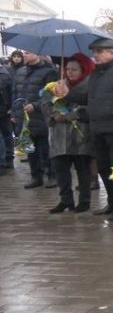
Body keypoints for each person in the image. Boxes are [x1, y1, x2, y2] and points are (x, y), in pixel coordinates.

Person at [58, 38, 113, 221]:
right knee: (103, 167)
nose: (95, 55)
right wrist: (68, 94)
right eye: (94, 52)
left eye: (99, 51)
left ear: (112, 52)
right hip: (97, 127)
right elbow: (88, 98)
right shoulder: (96, 73)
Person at [43, 55, 93, 213]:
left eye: (74, 69)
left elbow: (92, 107)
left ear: (82, 70)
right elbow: (45, 103)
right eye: (68, 69)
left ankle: (84, 201)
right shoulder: (56, 85)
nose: (70, 72)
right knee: (61, 170)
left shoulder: (89, 85)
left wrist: (76, 114)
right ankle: (66, 200)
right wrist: (53, 115)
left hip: (80, 135)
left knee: (82, 170)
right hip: (58, 134)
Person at [14, 50, 58, 188]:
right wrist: (14, 112)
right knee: (30, 150)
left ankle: (52, 176)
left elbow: (51, 94)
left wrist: (36, 105)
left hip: (42, 116)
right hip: (25, 117)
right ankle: (36, 177)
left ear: (37, 54)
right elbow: (16, 93)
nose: (24, 55)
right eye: (24, 52)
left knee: (45, 149)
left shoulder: (49, 72)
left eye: (27, 53)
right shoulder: (20, 72)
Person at [0, 57, 13, 173]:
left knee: (6, 134)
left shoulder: (3, 74)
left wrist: (10, 108)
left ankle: (5, 160)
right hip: (4, 107)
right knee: (6, 134)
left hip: (4, 109)